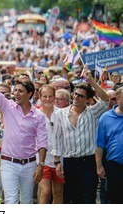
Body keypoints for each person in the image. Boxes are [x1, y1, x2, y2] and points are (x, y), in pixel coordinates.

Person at [0, 54, 47, 204]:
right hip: (8, 163)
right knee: (11, 201)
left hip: (29, 164)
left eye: (20, 91)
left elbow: (42, 143)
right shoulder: (7, 106)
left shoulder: (39, 116)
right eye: (15, 90)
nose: (16, 93)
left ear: (29, 94)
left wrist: (40, 166)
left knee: (26, 201)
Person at [52, 66, 109, 204]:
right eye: (75, 94)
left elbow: (106, 100)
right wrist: (57, 161)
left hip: (88, 162)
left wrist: (92, 81)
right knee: (72, 198)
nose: (76, 97)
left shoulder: (93, 112)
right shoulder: (60, 113)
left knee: (88, 198)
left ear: (88, 99)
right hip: (69, 161)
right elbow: (57, 138)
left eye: (80, 96)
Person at [96, 86, 123, 204]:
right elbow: (100, 144)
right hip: (114, 167)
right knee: (114, 200)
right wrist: (99, 166)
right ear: (117, 99)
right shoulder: (106, 117)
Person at [38, 85, 64, 204]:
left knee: (58, 192)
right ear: (40, 97)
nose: (48, 99)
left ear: (54, 97)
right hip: (41, 159)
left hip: (59, 159)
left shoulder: (62, 114)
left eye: (50, 96)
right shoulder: (35, 115)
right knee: (45, 191)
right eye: (45, 96)